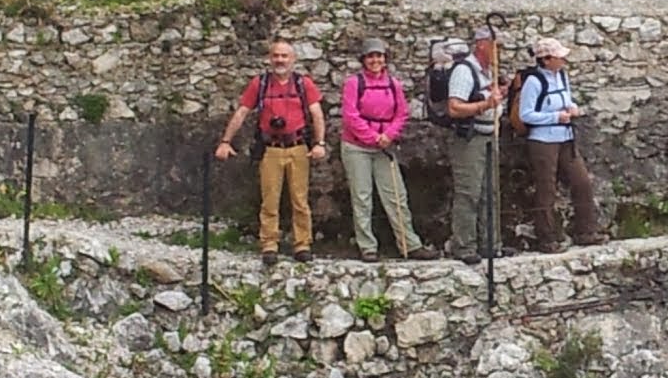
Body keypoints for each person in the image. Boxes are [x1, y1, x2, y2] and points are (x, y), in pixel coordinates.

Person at [214, 39, 326, 265]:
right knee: (269, 200)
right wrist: (225, 141)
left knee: (300, 200)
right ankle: (269, 244)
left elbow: (317, 114)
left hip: (298, 147)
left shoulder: (304, 84)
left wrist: (320, 143)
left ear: (293, 59)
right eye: (276, 55)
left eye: (285, 56)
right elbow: (242, 112)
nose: (280, 60)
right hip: (271, 149)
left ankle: (302, 244)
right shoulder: (260, 84)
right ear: (270, 58)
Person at [340, 38, 439, 263]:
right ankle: (367, 247)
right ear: (363, 60)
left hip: (385, 144)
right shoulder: (354, 83)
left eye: (379, 56)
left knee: (396, 195)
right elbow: (350, 115)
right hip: (357, 146)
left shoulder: (393, 84)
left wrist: (388, 136)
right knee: (362, 196)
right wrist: (373, 137)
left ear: (385, 59)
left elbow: (402, 113)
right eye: (370, 57)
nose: (375, 61)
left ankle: (409, 244)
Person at [517, 37, 606, 252]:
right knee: (546, 188)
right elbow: (525, 114)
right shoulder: (534, 82)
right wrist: (555, 117)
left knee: (581, 181)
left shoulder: (562, 77)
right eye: (560, 57)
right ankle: (546, 238)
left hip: (566, 138)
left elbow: (566, 100)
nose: (564, 60)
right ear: (546, 60)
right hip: (543, 141)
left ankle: (586, 230)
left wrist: (572, 108)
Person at [445, 26, 511, 265]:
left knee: (490, 192)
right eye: (495, 45)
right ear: (482, 44)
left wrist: (497, 97)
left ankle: (491, 243)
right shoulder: (464, 71)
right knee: (469, 191)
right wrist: (485, 105)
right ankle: (464, 245)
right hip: (470, 138)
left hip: (488, 135)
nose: (498, 51)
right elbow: (454, 107)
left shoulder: (487, 72)